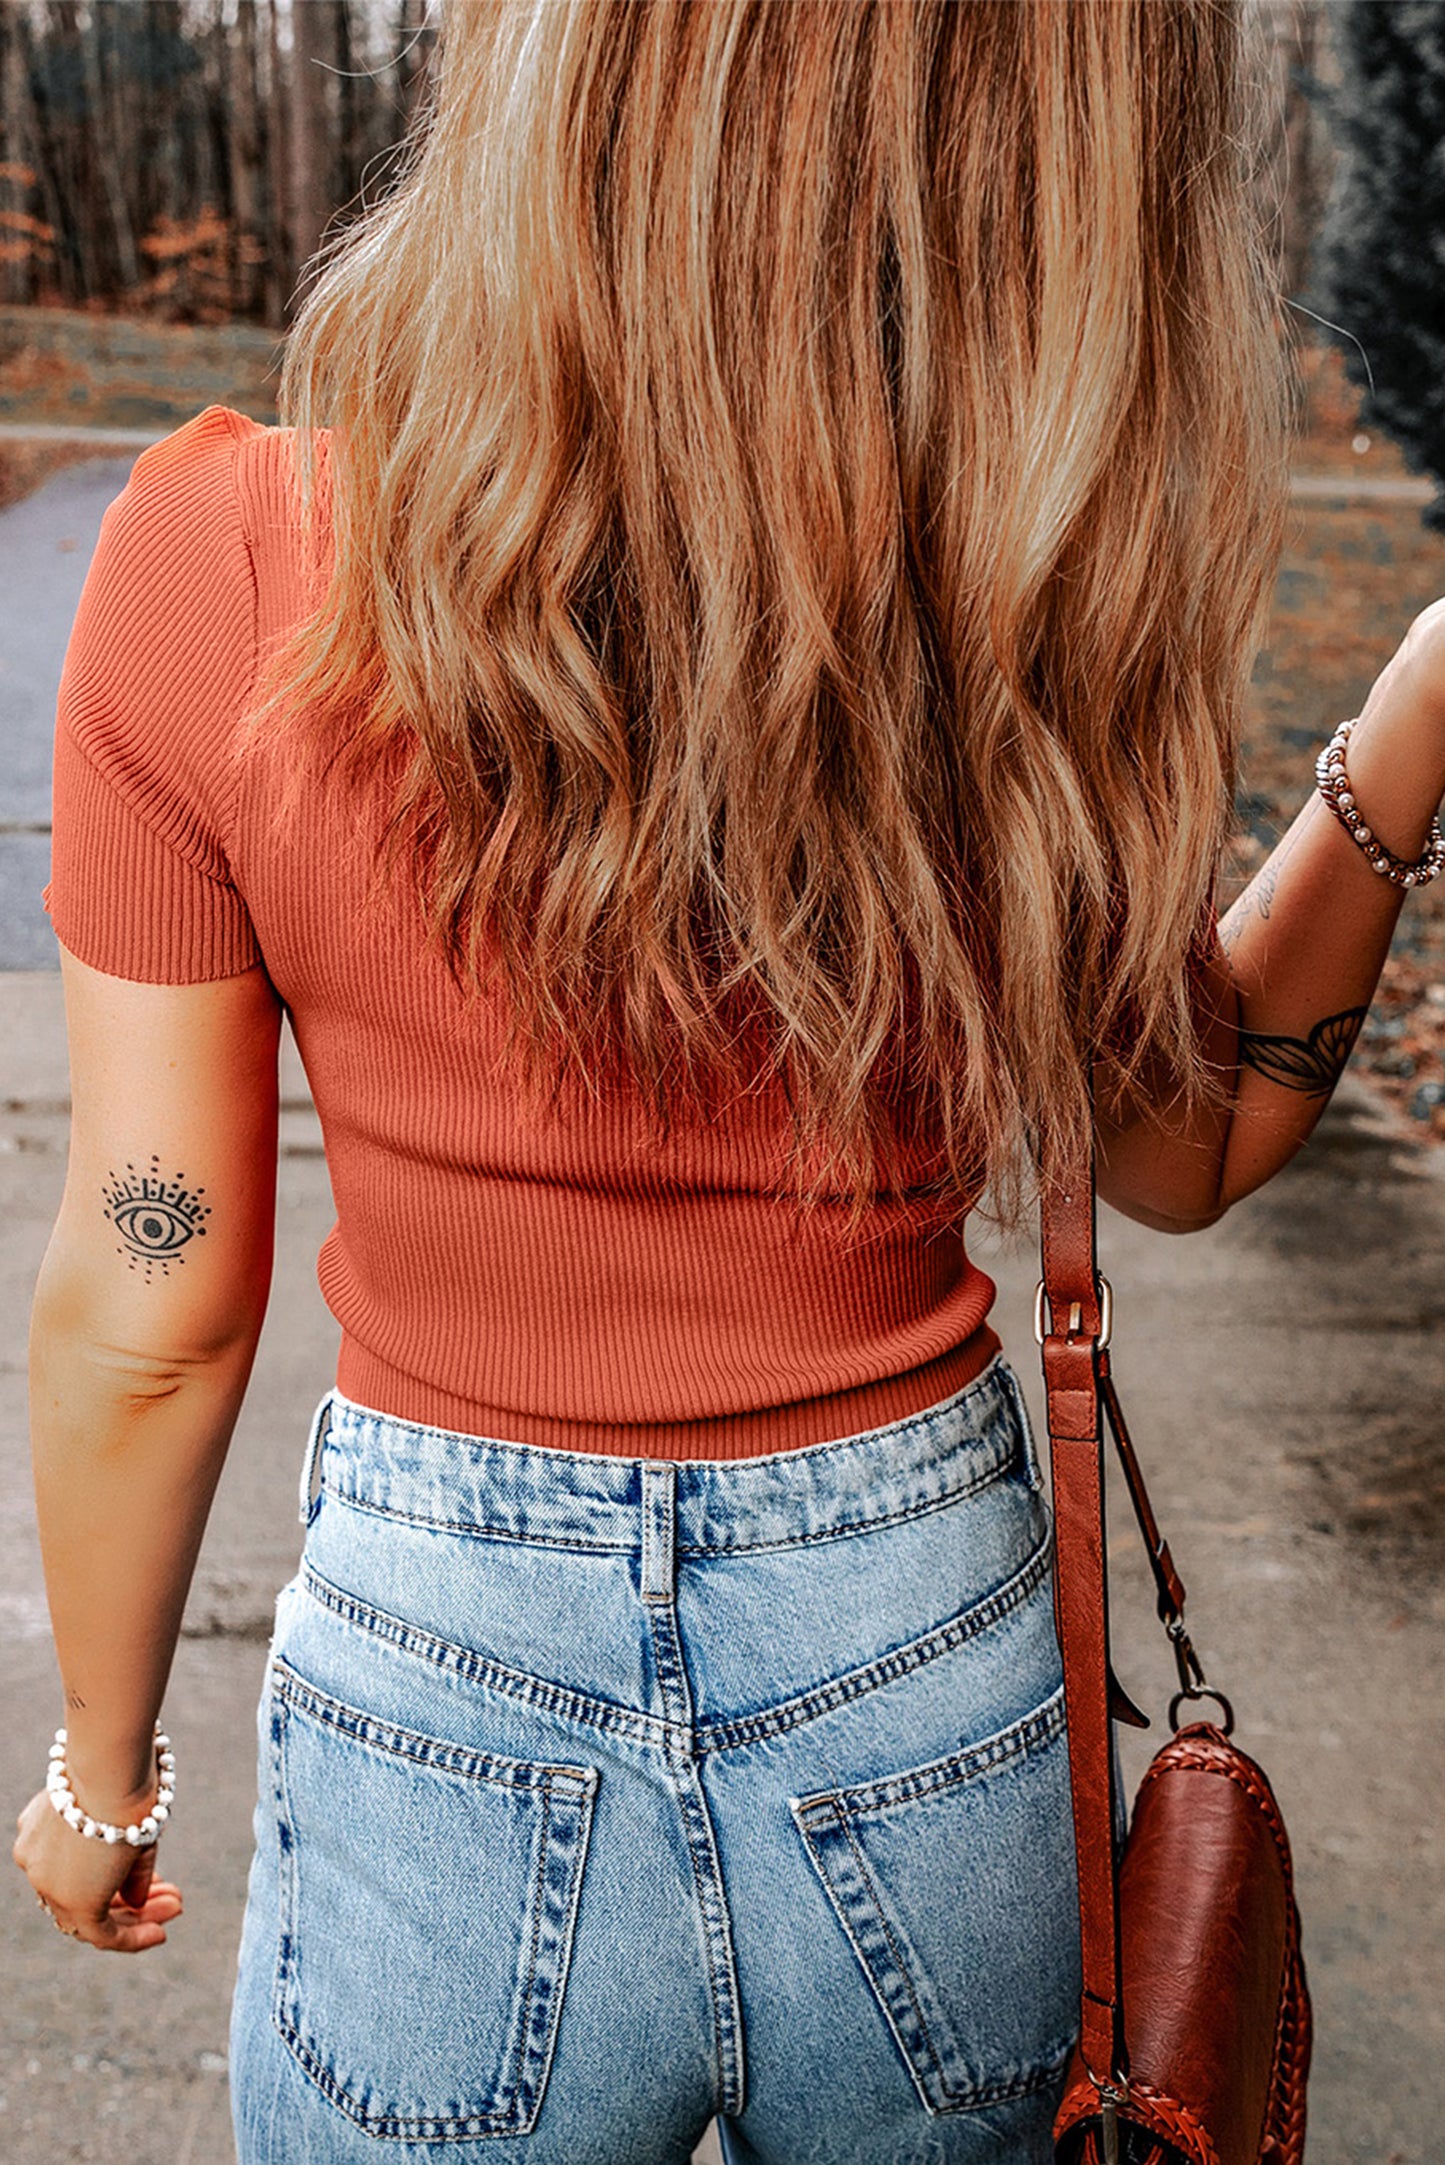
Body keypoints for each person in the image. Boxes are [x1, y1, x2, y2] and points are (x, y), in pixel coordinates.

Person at [12, 2, 1445, 2159]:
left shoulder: (219, 567)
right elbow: (1189, 1141)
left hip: (436, 1689)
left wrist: (100, 1766)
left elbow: (153, 1295)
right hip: (928, 1663)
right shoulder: (1017, 604)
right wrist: (1411, 733)